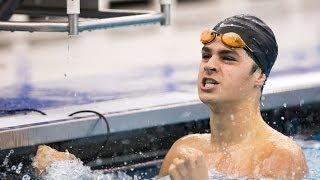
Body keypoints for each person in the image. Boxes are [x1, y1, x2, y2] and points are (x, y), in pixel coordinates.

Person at [158, 14, 308, 179]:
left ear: (259, 76)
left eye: (227, 58)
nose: (209, 65)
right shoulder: (184, 150)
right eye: (206, 56)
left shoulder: (279, 155)